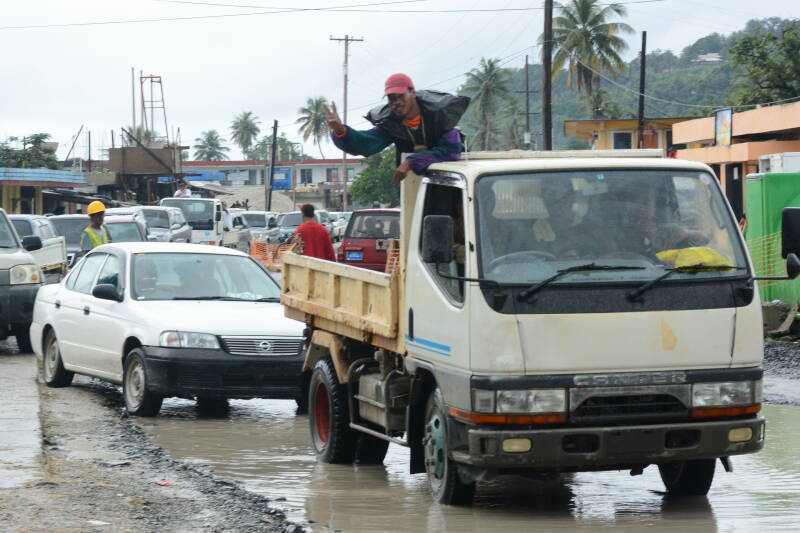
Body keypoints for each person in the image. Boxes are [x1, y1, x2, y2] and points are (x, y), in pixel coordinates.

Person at [325, 73, 470, 184]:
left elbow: (451, 151)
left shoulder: (440, 115)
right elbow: (366, 144)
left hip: (452, 184)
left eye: (401, 96)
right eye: (392, 98)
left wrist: (410, 162)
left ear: (413, 93)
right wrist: (340, 130)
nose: (397, 102)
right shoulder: (392, 123)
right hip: (414, 188)